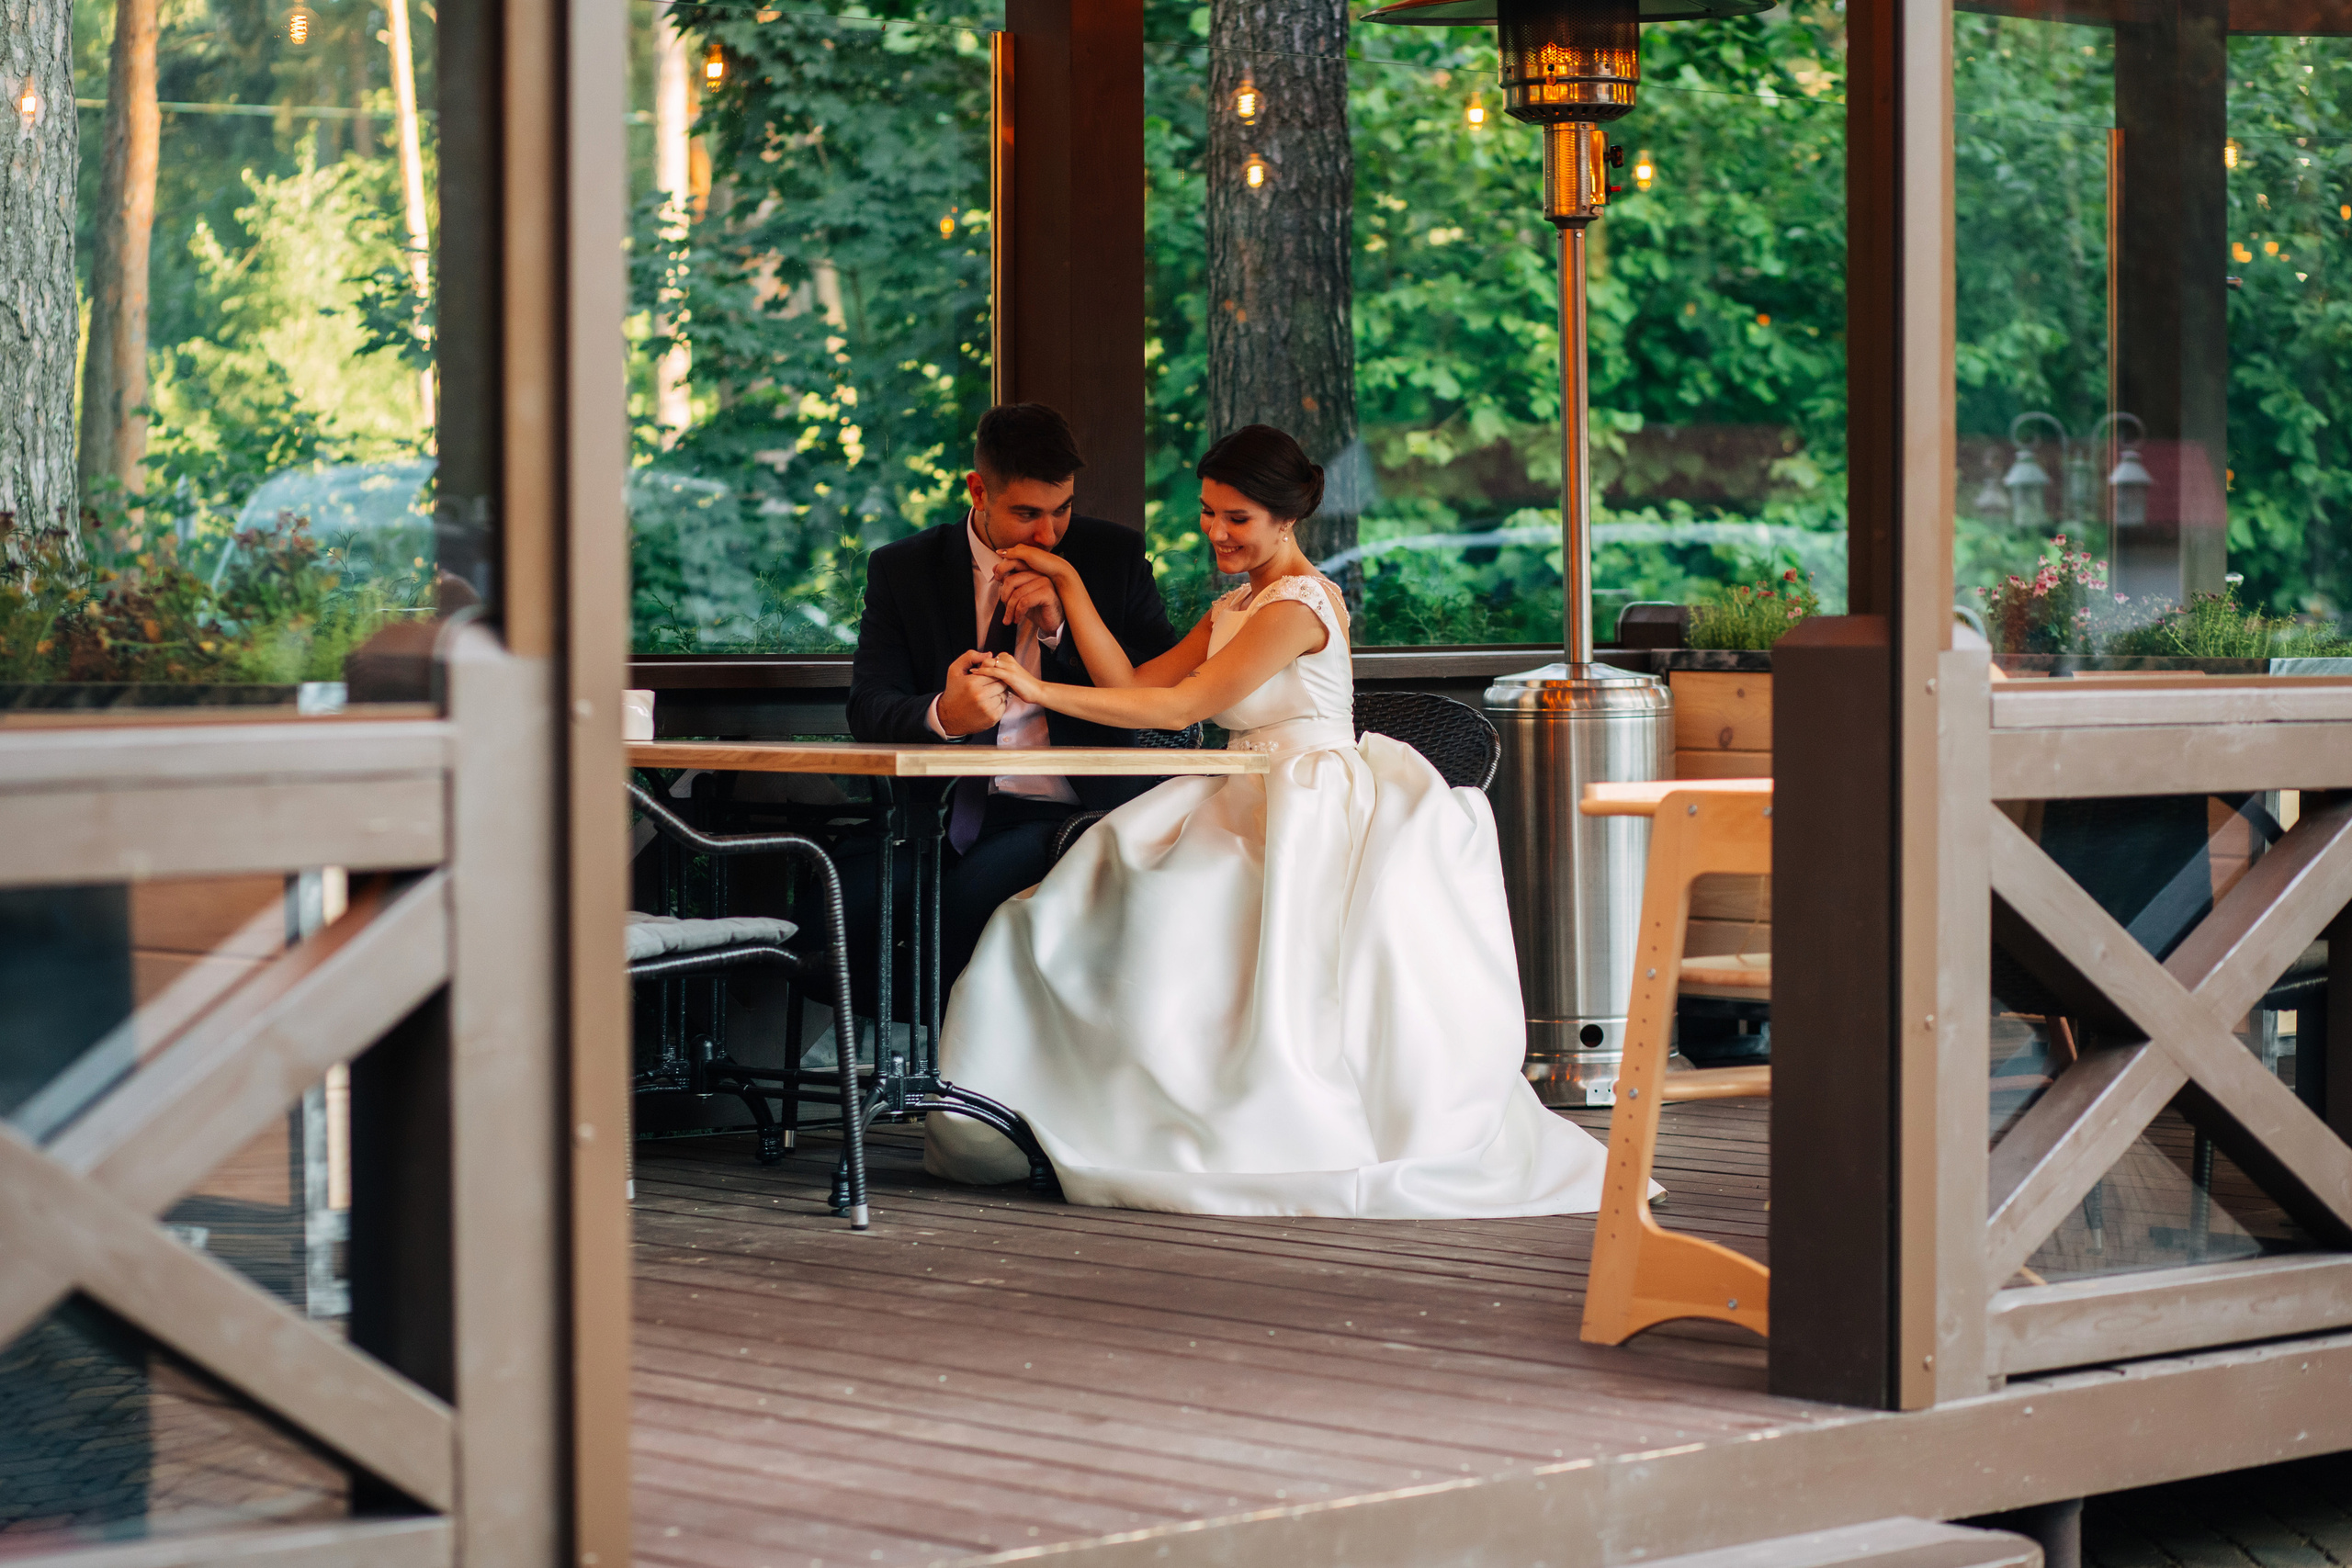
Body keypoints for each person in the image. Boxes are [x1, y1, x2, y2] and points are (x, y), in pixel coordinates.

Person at [923, 424, 1616, 1219]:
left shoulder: (1299, 604)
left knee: (1173, 908)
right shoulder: (1236, 605)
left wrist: (1039, 691)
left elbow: (1182, 707)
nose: (1216, 531)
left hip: (1308, 803)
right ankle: (1056, 1120)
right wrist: (1071, 590)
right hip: (1240, 791)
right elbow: (1131, 682)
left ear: (1286, 519)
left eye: (1237, 518)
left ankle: (1218, 1123)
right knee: (1051, 912)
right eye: (1210, 513)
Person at [845, 402, 1180, 993]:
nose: (1048, 535)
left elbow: (1164, 700)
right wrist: (944, 714)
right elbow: (868, 706)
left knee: (958, 909)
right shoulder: (904, 569)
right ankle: (920, 1060)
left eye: (1062, 510)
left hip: (1073, 812)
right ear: (978, 490)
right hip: (937, 820)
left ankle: (939, 1072)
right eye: (1027, 513)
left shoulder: (1113, 559)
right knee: (829, 911)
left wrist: (1061, 634)